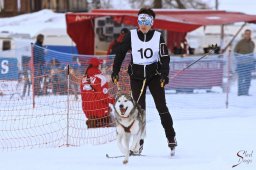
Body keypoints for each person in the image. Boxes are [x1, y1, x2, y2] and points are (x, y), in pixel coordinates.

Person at [111, 8, 177, 155]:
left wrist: (164, 75)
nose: (143, 24)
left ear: (152, 22)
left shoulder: (158, 37)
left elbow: (165, 58)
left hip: (154, 76)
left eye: (146, 21)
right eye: (140, 21)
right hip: (137, 77)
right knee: (139, 112)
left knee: (161, 107)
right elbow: (120, 53)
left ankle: (171, 137)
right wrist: (115, 71)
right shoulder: (131, 35)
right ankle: (138, 144)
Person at [80, 58, 115, 128]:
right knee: (114, 122)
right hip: (100, 110)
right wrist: (114, 101)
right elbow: (103, 97)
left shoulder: (83, 79)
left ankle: (92, 123)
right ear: (98, 66)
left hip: (87, 110)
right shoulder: (101, 78)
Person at [234, 29, 255, 96]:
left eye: (249, 34)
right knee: (241, 79)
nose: (247, 35)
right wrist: (239, 58)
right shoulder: (240, 42)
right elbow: (235, 52)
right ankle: (240, 93)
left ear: (250, 34)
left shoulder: (252, 43)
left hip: (249, 64)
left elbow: (252, 53)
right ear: (244, 34)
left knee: (248, 79)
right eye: (246, 34)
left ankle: (246, 92)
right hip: (241, 64)